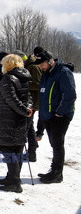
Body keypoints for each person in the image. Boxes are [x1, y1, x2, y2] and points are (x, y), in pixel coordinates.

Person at [0, 54, 33, 193]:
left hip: (8, 120)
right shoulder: (22, 78)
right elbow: (29, 97)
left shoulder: (9, 79)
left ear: (8, 64)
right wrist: (27, 110)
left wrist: (25, 111)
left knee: (9, 150)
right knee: (17, 149)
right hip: (18, 120)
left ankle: (14, 182)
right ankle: (12, 177)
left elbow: (11, 100)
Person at [35, 50, 76, 184]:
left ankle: (57, 174)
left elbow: (70, 95)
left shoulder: (63, 72)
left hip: (60, 115)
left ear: (50, 60)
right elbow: (43, 94)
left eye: (42, 64)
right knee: (54, 143)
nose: (41, 67)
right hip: (48, 114)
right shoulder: (46, 73)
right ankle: (54, 170)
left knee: (58, 144)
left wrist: (60, 112)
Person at [15, 49, 42, 162]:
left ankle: (24, 154)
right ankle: (32, 152)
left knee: (25, 128)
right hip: (28, 101)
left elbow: (38, 84)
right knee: (30, 127)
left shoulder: (33, 67)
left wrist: (23, 86)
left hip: (32, 102)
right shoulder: (28, 65)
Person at [31, 46, 45, 141]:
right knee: (37, 113)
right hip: (37, 93)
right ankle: (37, 133)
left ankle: (38, 132)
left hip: (36, 93)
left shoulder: (32, 63)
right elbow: (37, 81)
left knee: (37, 113)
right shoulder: (35, 66)